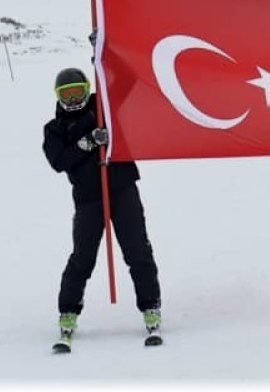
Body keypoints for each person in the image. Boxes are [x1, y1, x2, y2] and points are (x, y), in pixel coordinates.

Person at [42, 67, 162, 347]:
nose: (73, 100)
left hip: (122, 189)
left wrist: (104, 53)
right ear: (58, 97)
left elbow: (128, 80)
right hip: (89, 199)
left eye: (77, 93)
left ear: (87, 89)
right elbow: (59, 161)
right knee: (82, 257)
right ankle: (68, 312)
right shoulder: (55, 129)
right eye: (66, 95)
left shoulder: (104, 105)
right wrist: (86, 144)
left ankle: (150, 307)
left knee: (137, 251)